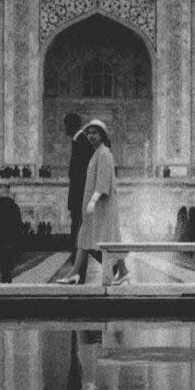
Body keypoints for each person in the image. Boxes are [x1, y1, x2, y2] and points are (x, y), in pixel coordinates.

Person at [55, 119, 129, 285]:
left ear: (102, 135)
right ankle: (75, 273)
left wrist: (93, 201)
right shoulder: (98, 153)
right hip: (94, 205)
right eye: (88, 133)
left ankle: (121, 271)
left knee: (104, 239)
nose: (91, 136)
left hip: (101, 205)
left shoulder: (104, 153)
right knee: (85, 238)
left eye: (95, 133)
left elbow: (103, 181)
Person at [65, 113, 93, 282]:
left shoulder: (81, 141)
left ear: (71, 125)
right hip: (79, 199)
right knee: (80, 237)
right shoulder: (79, 140)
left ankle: (116, 266)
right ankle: (78, 274)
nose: (64, 128)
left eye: (65, 124)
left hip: (81, 199)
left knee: (80, 238)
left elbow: (81, 174)